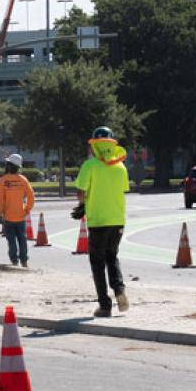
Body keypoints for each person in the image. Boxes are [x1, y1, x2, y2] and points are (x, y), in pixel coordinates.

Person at [73, 126, 130, 317]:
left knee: (97, 263)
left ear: (94, 146)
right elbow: (121, 190)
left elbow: (81, 192)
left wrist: (83, 205)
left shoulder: (89, 166)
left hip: (98, 221)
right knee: (112, 257)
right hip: (118, 221)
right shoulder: (121, 167)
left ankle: (105, 306)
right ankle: (120, 290)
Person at [0, 153, 35, 267]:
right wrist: (26, 209)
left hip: (8, 218)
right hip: (21, 217)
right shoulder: (23, 180)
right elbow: (31, 197)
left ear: (9, 165)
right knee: (22, 240)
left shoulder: (2, 180)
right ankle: (24, 261)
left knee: (11, 241)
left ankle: (14, 261)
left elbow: (0, 200)